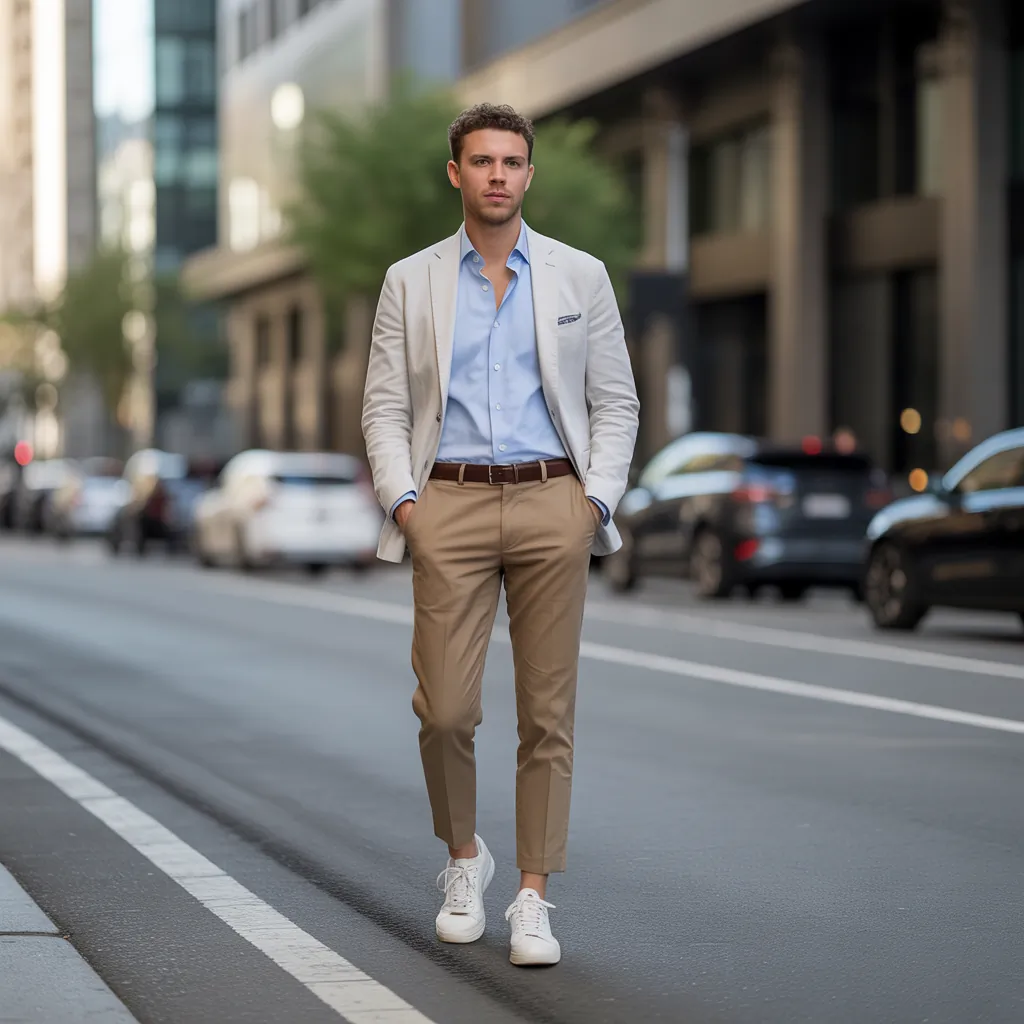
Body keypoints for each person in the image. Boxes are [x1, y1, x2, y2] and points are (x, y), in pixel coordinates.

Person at [361, 103, 639, 966]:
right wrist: (406, 502)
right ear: (456, 173)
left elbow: (615, 402)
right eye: (481, 161)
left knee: (547, 715)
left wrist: (593, 501)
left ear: (529, 174)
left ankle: (532, 895)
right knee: (445, 711)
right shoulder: (411, 280)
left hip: (553, 500)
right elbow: (385, 407)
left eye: (511, 162)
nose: (497, 176)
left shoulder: (579, 276)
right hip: (448, 505)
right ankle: (462, 860)